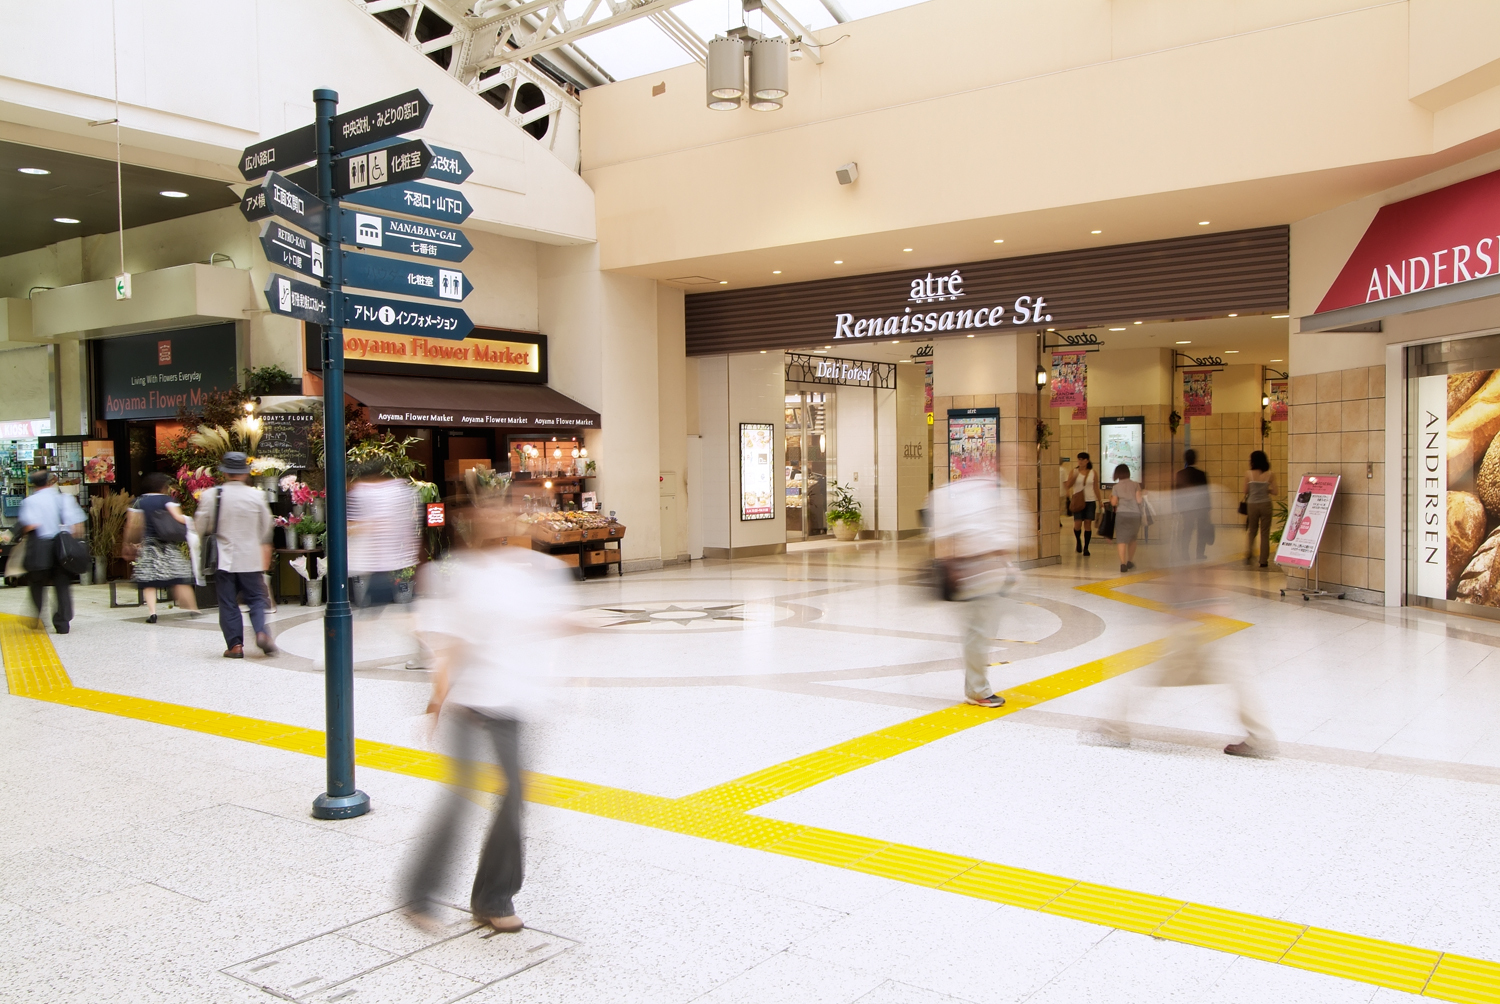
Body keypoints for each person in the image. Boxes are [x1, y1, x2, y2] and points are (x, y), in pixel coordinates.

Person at [404, 501, 569, 933]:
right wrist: (438, 701)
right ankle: (420, 892)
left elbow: (541, 622)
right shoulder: (462, 576)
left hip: (511, 701)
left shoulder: (521, 570)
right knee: (460, 796)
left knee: (514, 792)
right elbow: (454, 644)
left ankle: (494, 898)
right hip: (467, 702)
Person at [927, 473, 1021, 708]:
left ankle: (976, 687)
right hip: (970, 573)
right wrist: (952, 566)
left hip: (986, 573)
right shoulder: (967, 492)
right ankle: (977, 690)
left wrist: (1007, 566)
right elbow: (946, 534)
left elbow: (995, 537)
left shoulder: (994, 491)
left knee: (980, 631)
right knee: (977, 632)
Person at [194, 452, 274, 659]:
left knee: (228, 602)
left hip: (224, 558)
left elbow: (200, 526)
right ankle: (261, 631)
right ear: (245, 473)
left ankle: (235, 646)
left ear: (225, 472)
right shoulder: (256, 496)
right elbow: (266, 528)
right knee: (256, 598)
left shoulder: (212, 495)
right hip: (251, 558)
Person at [16, 470, 85, 634]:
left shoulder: (30, 502)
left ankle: (37, 618)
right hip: (62, 547)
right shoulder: (65, 499)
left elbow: (29, 526)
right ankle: (62, 623)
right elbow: (77, 527)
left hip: (40, 547)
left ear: (33, 484)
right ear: (50, 482)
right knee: (62, 585)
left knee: (37, 582)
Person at [124, 472, 198, 623]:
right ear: (162, 487)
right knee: (179, 578)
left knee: (149, 581)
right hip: (168, 544)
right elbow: (178, 518)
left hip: (149, 545)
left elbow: (132, 524)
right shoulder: (167, 499)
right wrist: (192, 523)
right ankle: (193, 609)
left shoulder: (138, 502)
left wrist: (128, 542)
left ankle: (152, 613)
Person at [347, 459, 420, 607]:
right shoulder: (399, 489)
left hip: (378, 563)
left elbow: (352, 526)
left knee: (374, 609)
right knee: (405, 608)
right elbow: (408, 525)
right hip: (395, 560)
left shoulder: (362, 493)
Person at [1173, 449, 1212, 561]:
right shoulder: (1201, 474)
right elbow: (1206, 492)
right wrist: (1208, 508)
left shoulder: (1180, 474)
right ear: (1195, 459)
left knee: (1187, 530)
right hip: (1200, 508)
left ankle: (1185, 554)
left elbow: (1177, 492)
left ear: (1185, 459)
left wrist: (1178, 506)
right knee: (1201, 531)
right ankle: (1199, 553)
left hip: (1186, 508)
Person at [1108, 464, 1145, 573]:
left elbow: (1114, 503)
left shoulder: (1116, 487)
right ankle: (1129, 561)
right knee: (1132, 539)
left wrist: (1111, 498)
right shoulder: (1135, 485)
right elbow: (1139, 501)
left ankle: (1123, 563)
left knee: (1121, 539)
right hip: (1135, 514)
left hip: (1121, 514)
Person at [1245, 450, 1276, 568]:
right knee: (1265, 533)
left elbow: (1245, 491)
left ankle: (1249, 554)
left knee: (1252, 530)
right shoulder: (1270, 474)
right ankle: (1263, 560)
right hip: (1266, 504)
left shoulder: (1248, 474)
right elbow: (1275, 491)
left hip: (1252, 504)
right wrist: (1266, 490)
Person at [1067, 451, 1098, 556]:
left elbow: (1096, 488)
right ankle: (1078, 541)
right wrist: (1074, 477)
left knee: (1088, 524)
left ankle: (1086, 547)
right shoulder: (1074, 471)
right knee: (1078, 524)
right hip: (1078, 501)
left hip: (1090, 500)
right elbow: (1068, 485)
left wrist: (1099, 500)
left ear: (1087, 461)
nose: (1080, 461)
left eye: (1082, 459)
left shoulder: (1093, 472)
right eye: (1079, 459)